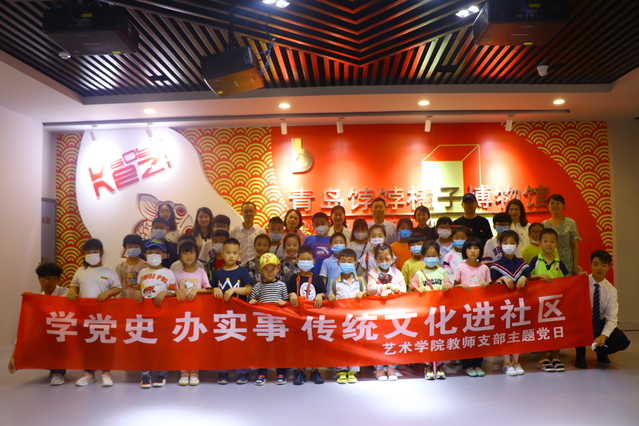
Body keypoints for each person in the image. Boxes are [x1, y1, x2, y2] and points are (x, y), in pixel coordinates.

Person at [67, 238, 121, 387]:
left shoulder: (109, 271)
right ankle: (88, 374)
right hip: (84, 314)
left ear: (101, 253)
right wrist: (72, 291)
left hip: (104, 315)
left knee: (104, 344)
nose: (91, 254)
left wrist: (108, 293)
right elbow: (74, 285)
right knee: (87, 344)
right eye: (88, 252)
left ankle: (106, 373)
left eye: (94, 251)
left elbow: (117, 288)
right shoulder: (80, 271)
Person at [7, 263, 68, 385]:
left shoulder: (67, 294)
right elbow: (26, 328)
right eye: (43, 278)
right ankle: (54, 368)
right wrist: (15, 355)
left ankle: (58, 372)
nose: (47, 281)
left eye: (51, 278)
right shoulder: (37, 299)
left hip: (66, 334)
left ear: (59, 279)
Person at [575, 250, 630, 369]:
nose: (599, 268)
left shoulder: (611, 290)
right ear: (590, 265)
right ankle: (580, 356)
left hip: (599, 322)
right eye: (596, 264)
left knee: (622, 342)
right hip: (582, 322)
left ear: (608, 267)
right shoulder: (582, 282)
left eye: (603, 265)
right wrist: (577, 279)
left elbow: (612, 318)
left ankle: (601, 351)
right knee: (578, 326)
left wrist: (604, 336)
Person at [135, 239, 177, 388]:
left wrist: (165, 293)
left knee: (161, 346)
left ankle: (161, 374)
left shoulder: (168, 273)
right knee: (145, 345)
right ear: (145, 254)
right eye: (150, 252)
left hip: (162, 314)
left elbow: (174, 292)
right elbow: (138, 288)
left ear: (164, 255)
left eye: (157, 253)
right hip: (145, 315)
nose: (154, 255)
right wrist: (137, 292)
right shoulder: (142, 272)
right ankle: (145, 375)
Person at [212, 238, 253, 384]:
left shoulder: (242, 271)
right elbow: (211, 289)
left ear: (239, 254)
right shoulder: (217, 273)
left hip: (240, 314)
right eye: (228, 252)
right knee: (224, 343)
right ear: (222, 254)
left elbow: (249, 289)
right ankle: (223, 371)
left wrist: (235, 289)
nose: (231, 256)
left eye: (234, 253)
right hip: (222, 314)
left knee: (240, 343)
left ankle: (243, 372)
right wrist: (214, 289)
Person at [490, 230, 530, 376]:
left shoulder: (522, 264)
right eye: (505, 243)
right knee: (505, 332)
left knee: (517, 332)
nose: (509, 246)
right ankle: (506, 362)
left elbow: (529, 278)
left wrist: (525, 278)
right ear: (500, 245)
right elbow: (492, 283)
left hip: (520, 304)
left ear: (517, 245)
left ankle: (516, 361)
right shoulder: (496, 265)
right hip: (503, 305)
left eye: (512, 243)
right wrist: (501, 279)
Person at [528, 228, 568, 372]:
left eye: (552, 241)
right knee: (541, 329)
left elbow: (566, 281)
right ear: (540, 242)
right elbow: (527, 277)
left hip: (556, 303)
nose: (548, 244)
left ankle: (555, 356)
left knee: (556, 329)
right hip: (539, 302)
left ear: (557, 243)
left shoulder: (559, 262)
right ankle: (542, 357)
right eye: (545, 241)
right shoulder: (535, 260)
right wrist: (538, 277)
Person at [410, 241, 451, 380]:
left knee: (439, 338)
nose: (431, 258)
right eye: (428, 255)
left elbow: (449, 286)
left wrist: (447, 287)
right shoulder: (419, 273)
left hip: (440, 311)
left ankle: (439, 365)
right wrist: (417, 289)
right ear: (423, 257)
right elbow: (412, 289)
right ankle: (427, 365)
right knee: (427, 339)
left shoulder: (442, 272)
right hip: (425, 311)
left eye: (434, 255)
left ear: (439, 256)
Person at [287, 245, 326, 385]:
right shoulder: (293, 278)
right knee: (299, 345)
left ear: (313, 261)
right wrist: (291, 294)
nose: (305, 262)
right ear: (297, 260)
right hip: (298, 316)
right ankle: (301, 371)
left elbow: (323, 292)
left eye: (308, 259)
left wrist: (320, 295)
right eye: (302, 259)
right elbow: (288, 293)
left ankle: (315, 370)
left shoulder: (317, 278)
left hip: (314, 317)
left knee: (315, 344)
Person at [174, 240, 211, 386]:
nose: (188, 256)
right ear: (180, 256)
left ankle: (194, 371)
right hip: (181, 314)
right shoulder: (177, 274)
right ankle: (184, 371)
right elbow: (172, 291)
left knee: (196, 343)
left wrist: (196, 290)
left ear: (196, 254)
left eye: (191, 252)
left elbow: (208, 289)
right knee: (182, 343)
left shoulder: (201, 272)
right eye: (185, 253)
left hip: (197, 314)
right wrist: (176, 291)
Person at [367, 244, 406, 381]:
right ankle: (378, 368)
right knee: (378, 338)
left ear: (392, 257)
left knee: (393, 337)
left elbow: (403, 289)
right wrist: (384, 287)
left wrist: (392, 289)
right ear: (375, 259)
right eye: (380, 259)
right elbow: (370, 289)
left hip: (393, 310)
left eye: (387, 258)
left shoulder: (397, 272)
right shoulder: (373, 272)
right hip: (377, 310)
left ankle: (391, 366)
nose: (384, 261)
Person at [249, 253, 289, 385]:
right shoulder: (257, 286)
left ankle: (281, 372)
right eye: (266, 269)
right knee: (262, 349)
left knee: (280, 348)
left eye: (273, 269)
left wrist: (284, 302)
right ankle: (262, 373)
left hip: (278, 323)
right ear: (260, 270)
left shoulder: (282, 285)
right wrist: (252, 302)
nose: (270, 272)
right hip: (263, 323)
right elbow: (251, 300)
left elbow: (287, 302)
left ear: (278, 268)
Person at [327, 248, 366, 384]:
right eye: (343, 261)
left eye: (350, 261)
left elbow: (367, 296)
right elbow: (331, 296)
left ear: (355, 263)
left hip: (356, 319)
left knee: (355, 345)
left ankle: (353, 371)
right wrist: (330, 296)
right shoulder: (334, 281)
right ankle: (341, 371)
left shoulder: (360, 280)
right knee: (340, 345)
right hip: (340, 319)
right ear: (339, 263)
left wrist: (363, 294)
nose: (346, 264)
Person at [453, 237, 491, 377]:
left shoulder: (484, 268)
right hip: (465, 309)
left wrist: (487, 285)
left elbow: (490, 287)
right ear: (465, 251)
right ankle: (467, 365)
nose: (473, 251)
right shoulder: (461, 267)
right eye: (469, 248)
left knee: (479, 337)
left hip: (480, 308)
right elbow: (454, 287)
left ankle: (477, 364)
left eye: (476, 248)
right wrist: (460, 286)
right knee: (466, 337)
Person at [542, 194, 583, 275]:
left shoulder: (571, 223)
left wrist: (575, 266)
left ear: (563, 205)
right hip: (549, 262)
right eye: (552, 203)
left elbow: (574, 246)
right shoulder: (544, 224)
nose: (555, 205)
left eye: (558, 203)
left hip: (567, 262)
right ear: (548, 206)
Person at [115, 234, 148, 298]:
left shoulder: (146, 266)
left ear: (141, 248)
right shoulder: (120, 267)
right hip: (124, 300)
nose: (133, 249)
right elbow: (117, 285)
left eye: (136, 246)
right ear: (125, 248)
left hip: (141, 300)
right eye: (130, 247)